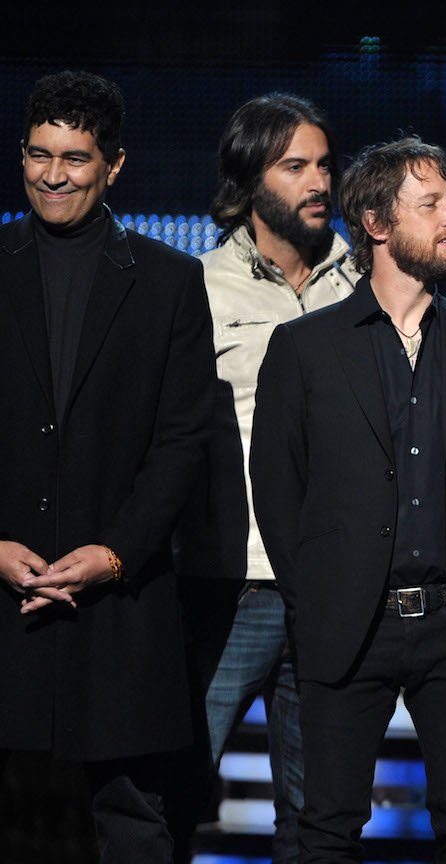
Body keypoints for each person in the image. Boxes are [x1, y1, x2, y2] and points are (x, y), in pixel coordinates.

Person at [249, 136, 446, 863]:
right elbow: (278, 491)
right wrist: (318, 598)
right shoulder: (304, 347)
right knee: (327, 826)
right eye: (429, 204)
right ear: (376, 223)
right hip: (348, 623)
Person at [0, 70, 216, 862]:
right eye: (38, 154)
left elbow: (183, 439)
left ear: (114, 165)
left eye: (75, 159)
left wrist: (117, 551)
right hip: (2, 584)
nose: (52, 175)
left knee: (131, 816)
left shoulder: (168, 280)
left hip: (119, 599)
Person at [187, 92, 358, 862]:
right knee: (178, 787)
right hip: (233, 585)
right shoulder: (197, 290)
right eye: (296, 166)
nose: (319, 181)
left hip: (332, 588)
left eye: (324, 164)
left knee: (320, 817)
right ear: (251, 180)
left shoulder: (367, 285)